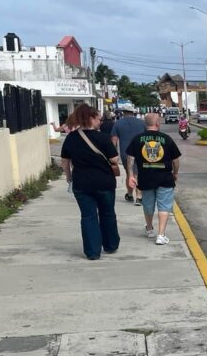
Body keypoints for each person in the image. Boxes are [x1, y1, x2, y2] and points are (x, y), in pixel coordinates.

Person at [60, 103, 121, 261]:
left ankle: (92, 252)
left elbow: (65, 162)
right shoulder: (103, 137)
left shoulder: (71, 138)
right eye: (98, 118)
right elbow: (114, 158)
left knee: (88, 216)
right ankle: (110, 245)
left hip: (81, 183)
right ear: (91, 118)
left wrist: (69, 177)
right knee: (107, 213)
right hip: (104, 182)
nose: (100, 120)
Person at [126, 112, 181, 245]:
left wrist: (131, 175)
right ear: (157, 123)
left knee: (148, 205)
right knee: (164, 206)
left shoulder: (137, 139)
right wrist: (175, 173)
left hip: (146, 177)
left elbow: (130, 158)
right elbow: (176, 160)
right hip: (165, 178)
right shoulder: (166, 138)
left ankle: (150, 229)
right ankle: (161, 235)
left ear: (146, 124)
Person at [112, 108, 145, 204]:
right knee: (138, 173)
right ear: (133, 112)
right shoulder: (142, 123)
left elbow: (114, 140)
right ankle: (139, 196)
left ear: (124, 113)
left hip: (125, 152)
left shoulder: (118, 123)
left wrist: (113, 154)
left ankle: (130, 194)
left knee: (129, 173)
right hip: (141, 152)